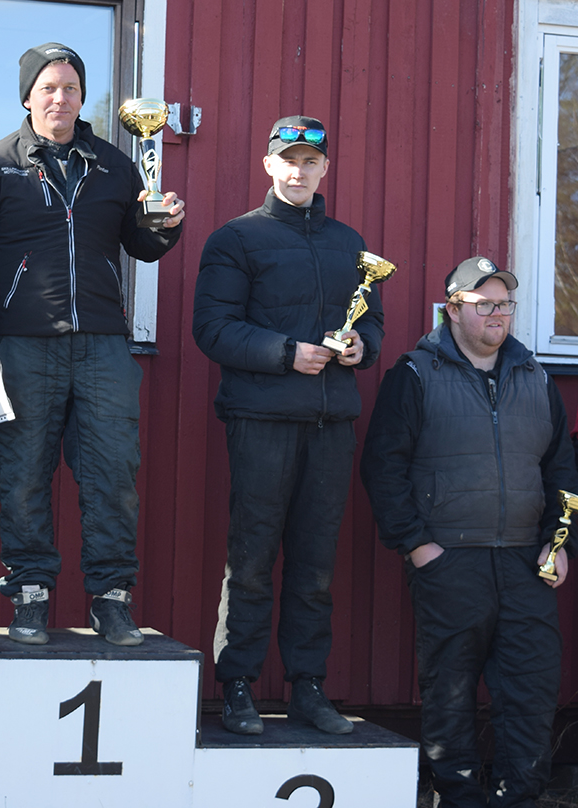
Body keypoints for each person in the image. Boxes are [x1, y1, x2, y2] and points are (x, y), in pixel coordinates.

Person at [0, 43, 185, 647]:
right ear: (28, 96)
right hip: (22, 346)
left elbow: (142, 246)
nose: (61, 98)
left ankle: (111, 598)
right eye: (48, 88)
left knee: (113, 474)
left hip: (104, 346)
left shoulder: (116, 165)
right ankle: (30, 594)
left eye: (71, 88)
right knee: (24, 475)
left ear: (83, 98)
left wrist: (166, 225)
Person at [361, 257, 576, 808]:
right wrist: (418, 546)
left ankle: (518, 799)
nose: (497, 313)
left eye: (504, 303)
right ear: (453, 310)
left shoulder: (536, 377)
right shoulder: (414, 374)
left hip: (527, 565)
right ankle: (457, 798)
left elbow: (562, 471)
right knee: (449, 694)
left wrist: (560, 543)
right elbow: (383, 468)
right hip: (450, 562)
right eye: (484, 304)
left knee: (530, 693)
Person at [192, 115, 383, 736]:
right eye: (288, 159)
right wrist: (286, 354)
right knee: (251, 558)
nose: (299, 171)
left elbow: (371, 322)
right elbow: (212, 329)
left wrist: (362, 347)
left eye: (310, 161)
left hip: (331, 423)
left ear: (325, 167)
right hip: (262, 420)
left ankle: (308, 687)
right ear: (268, 164)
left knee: (316, 564)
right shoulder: (236, 239)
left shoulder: (350, 244)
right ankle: (237, 686)